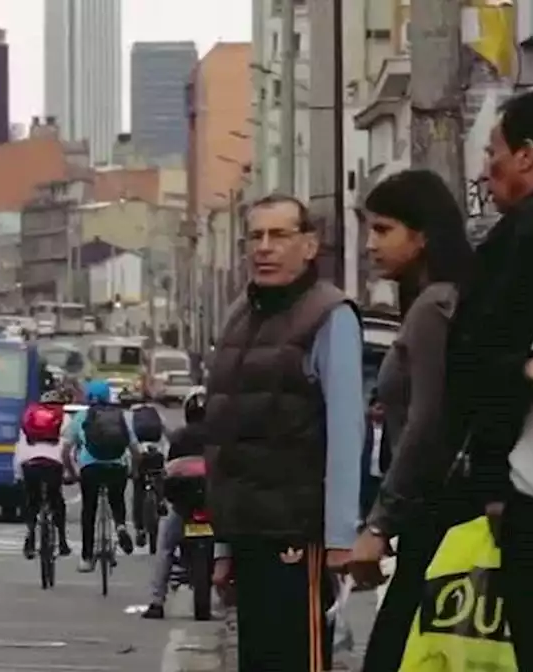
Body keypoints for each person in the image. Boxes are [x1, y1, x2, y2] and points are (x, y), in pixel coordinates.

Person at [205, 194, 365, 672]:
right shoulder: (240, 316)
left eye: (280, 236)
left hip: (302, 534)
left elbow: (345, 431)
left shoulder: (329, 315)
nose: (265, 248)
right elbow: (228, 439)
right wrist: (224, 544)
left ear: (310, 245)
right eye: (255, 237)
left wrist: (340, 539)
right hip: (250, 532)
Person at [342, 169, 471, 672]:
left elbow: (428, 423)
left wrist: (379, 524)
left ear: (421, 237)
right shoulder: (431, 302)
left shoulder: (435, 307)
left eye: (382, 230)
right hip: (436, 518)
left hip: (438, 519)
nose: (370, 244)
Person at [440, 90, 533, 670]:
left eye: (493, 151)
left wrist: (492, 484)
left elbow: (475, 357)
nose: (485, 168)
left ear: (526, 156)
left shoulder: (523, 237)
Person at [142, 387, 208, 619]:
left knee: (165, 547)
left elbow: (168, 472)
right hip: (213, 506)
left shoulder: (179, 437)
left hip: (182, 505)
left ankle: (156, 601)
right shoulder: (220, 437)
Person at [62, 379, 138, 572]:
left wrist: (73, 473)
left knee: (89, 510)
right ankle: (120, 526)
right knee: (117, 500)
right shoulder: (120, 416)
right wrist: (134, 470)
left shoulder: (81, 416)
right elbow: (134, 449)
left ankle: (87, 557)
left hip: (90, 468)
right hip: (116, 465)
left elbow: (66, 451)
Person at [16, 389, 73, 559]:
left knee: (31, 502)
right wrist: (70, 472)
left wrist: (18, 474)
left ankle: (30, 538)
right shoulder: (65, 418)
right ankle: (62, 541)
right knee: (57, 501)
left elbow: (20, 449)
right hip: (54, 465)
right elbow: (69, 450)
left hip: (30, 463)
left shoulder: (30, 417)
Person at [128, 402, 167, 547]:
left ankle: (139, 529)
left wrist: (132, 470)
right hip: (157, 454)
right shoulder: (157, 414)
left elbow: (130, 442)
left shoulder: (131, 416)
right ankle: (161, 501)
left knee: (138, 489)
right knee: (159, 477)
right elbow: (166, 434)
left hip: (140, 455)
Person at [358, 394, 389, 520]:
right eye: (376, 406)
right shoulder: (363, 427)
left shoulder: (389, 428)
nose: (379, 409)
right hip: (366, 475)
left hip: (383, 476)